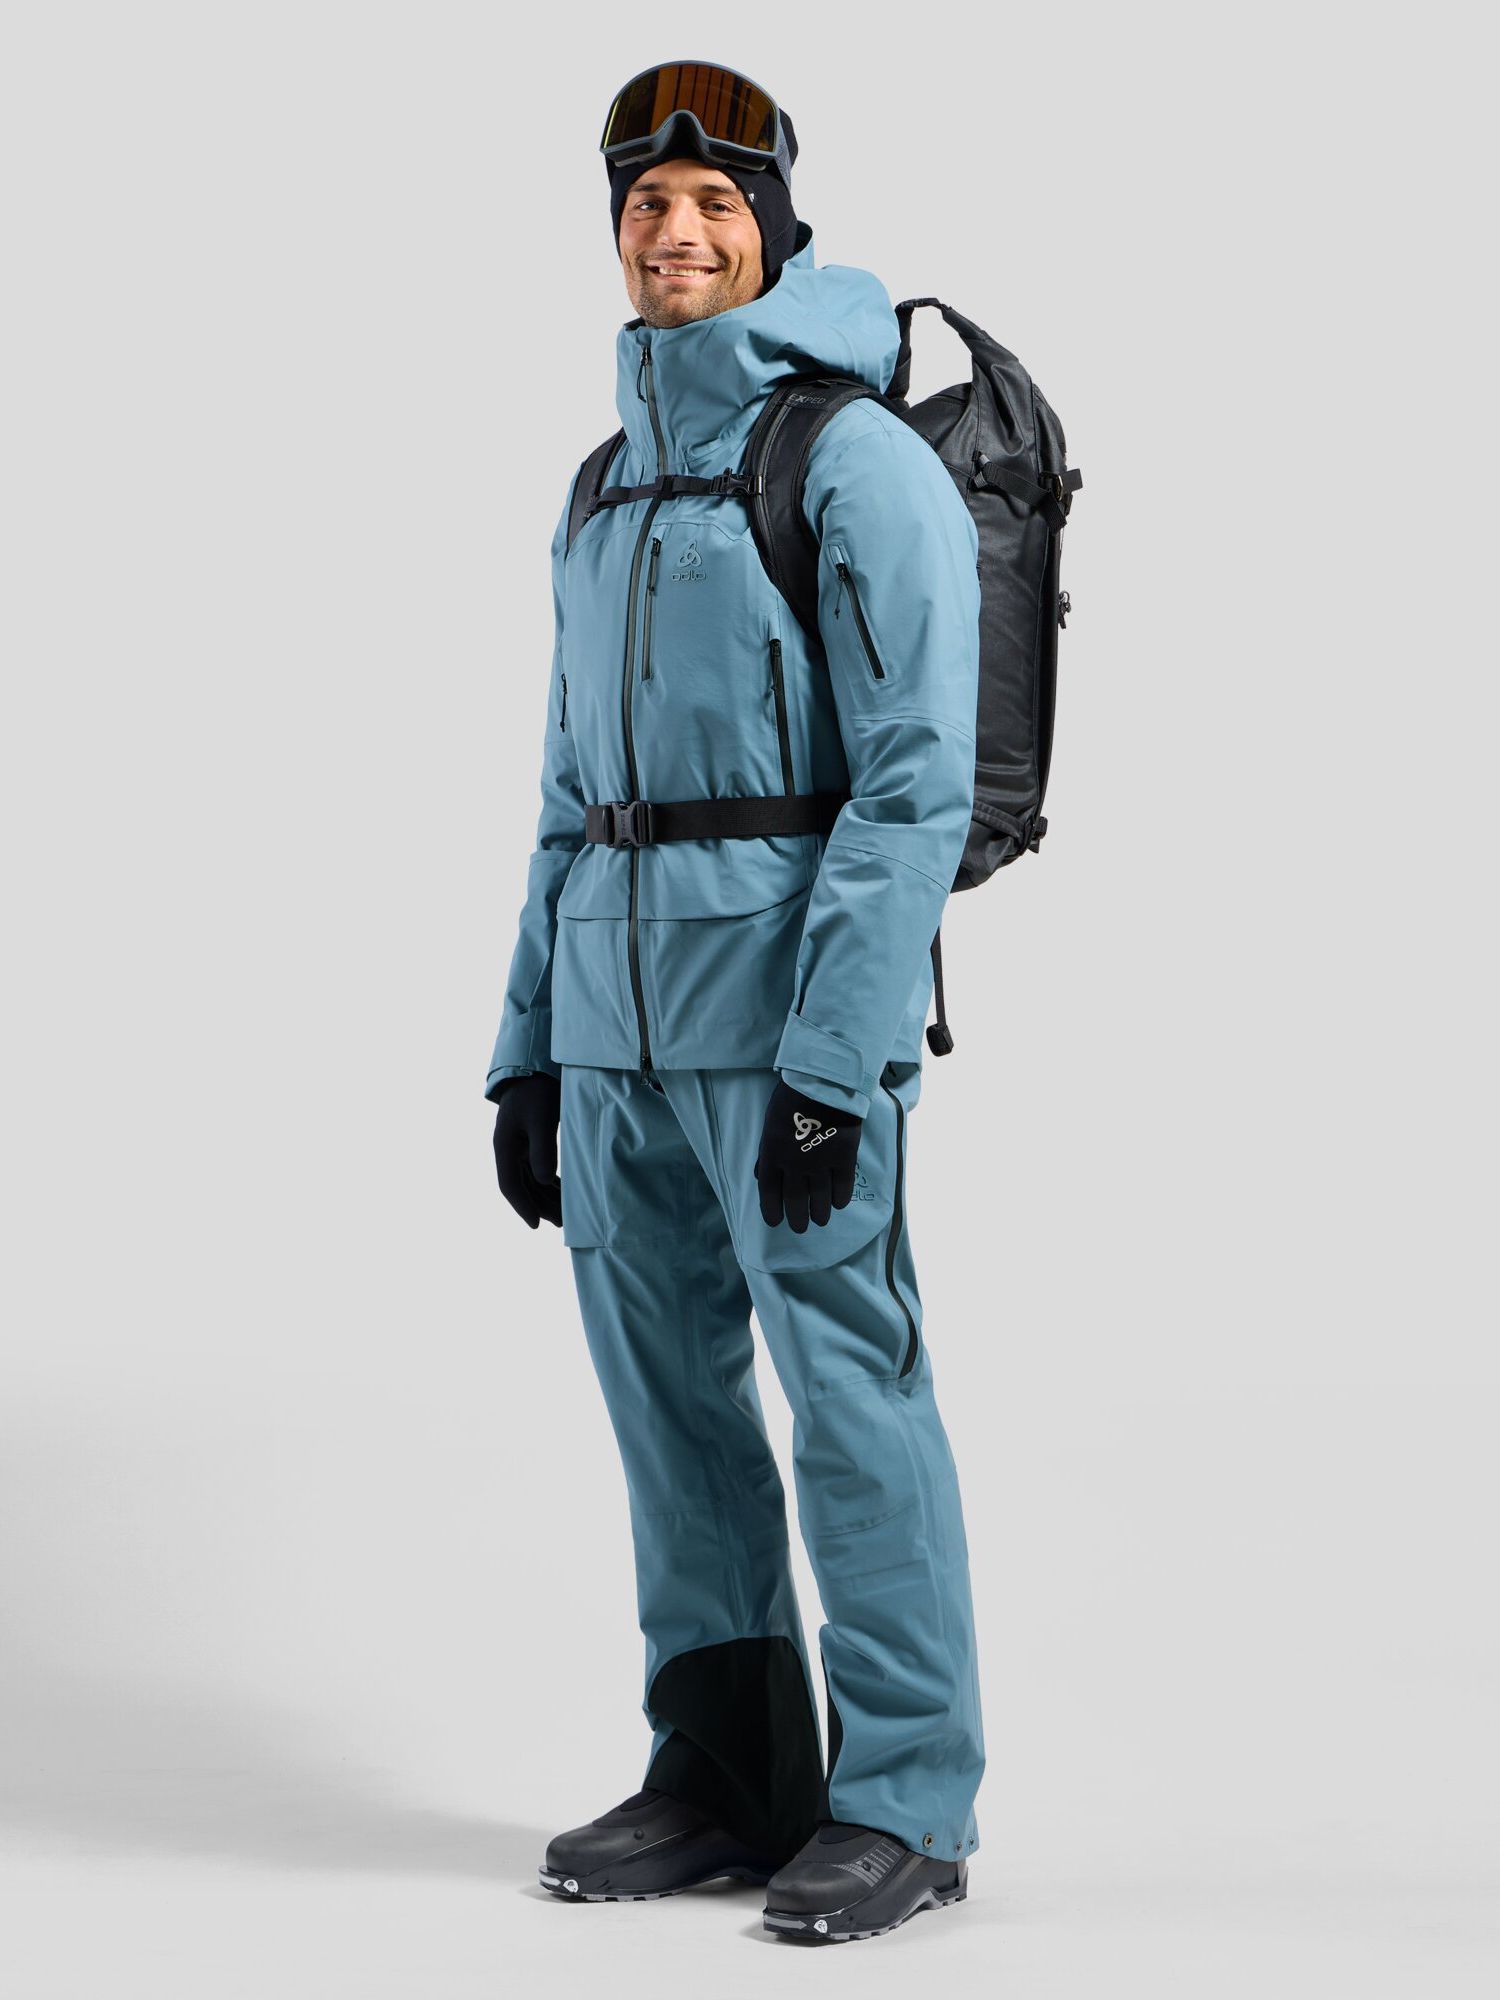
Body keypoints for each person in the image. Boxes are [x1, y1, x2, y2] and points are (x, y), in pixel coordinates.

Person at [487, 60, 984, 1945]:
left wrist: (838, 1060)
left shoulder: (852, 459)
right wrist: (528, 1048)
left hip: (783, 1027)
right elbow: (567, 788)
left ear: (772, 228)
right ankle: (724, 1765)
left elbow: (914, 786)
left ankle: (906, 1797)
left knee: (851, 1393)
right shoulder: (601, 486)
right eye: (647, 205)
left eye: (713, 205)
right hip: (615, 1030)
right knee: (668, 1406)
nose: (676, 234)